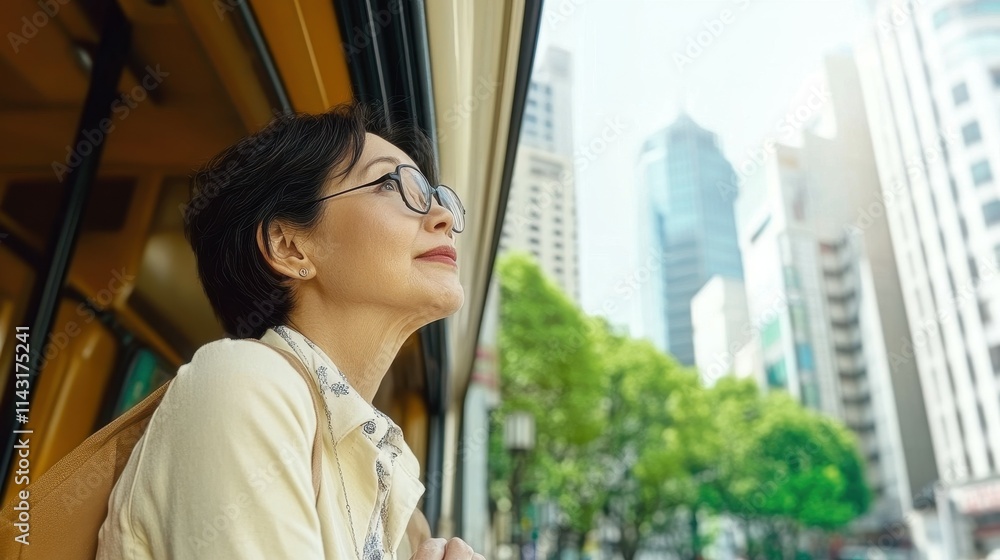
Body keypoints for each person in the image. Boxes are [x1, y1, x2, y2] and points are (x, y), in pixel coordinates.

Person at [96, 104, 482, 559]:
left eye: (436, 194)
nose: (442, 216)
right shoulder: (245, 379)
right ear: (289, 245)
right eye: (392, 185)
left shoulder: (386, 472)